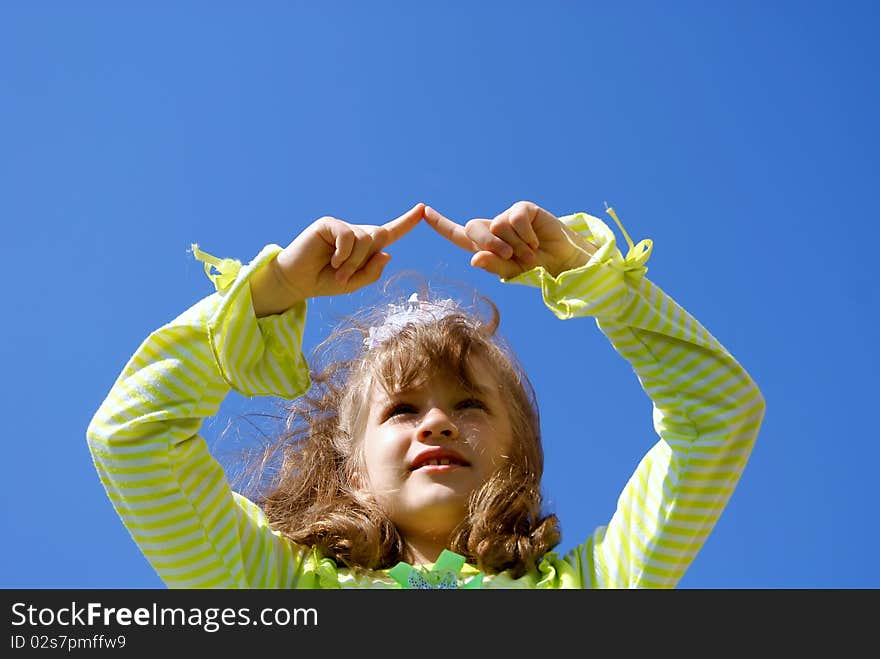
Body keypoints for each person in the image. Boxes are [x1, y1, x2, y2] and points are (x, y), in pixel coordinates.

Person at [86, 200, 765, 589]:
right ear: (352, 466)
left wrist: (591, 276)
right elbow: (130, 439)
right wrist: (268, 295)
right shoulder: (276, 584)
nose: (437, 422)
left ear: (518, 455)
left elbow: (720, 414)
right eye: (401, 409)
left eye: (471, 405)